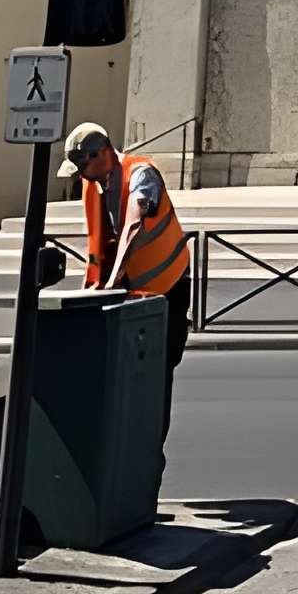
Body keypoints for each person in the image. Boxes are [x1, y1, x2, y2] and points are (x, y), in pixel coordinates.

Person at [60, 122, 192, 443]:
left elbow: (134, 223)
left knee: (157, 373)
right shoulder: (95, 185)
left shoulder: (141, 174)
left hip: (167, 289)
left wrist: (113, 279)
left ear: (102, 154)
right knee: (124, 370)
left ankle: (151, 448)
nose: (79, 176)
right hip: (131, 292)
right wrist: (95, 287)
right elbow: (99, 242)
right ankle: (126, 442)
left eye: (81, 167)